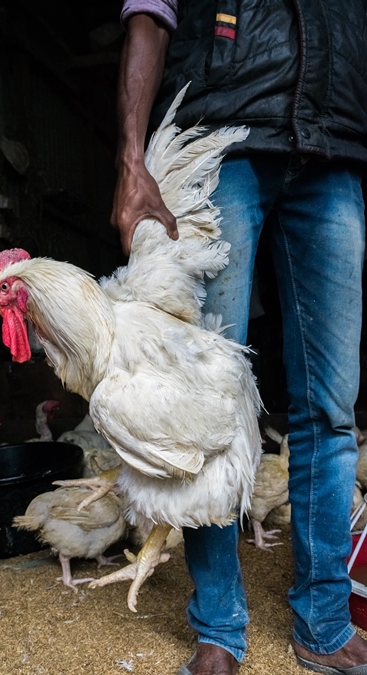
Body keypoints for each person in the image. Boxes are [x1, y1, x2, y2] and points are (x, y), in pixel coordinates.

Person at [111, 2, 367, 674]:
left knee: (332, 406)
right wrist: (133, 158)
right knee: (207, 404)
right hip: (219, 139)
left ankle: (325, 622)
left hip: (336, 149)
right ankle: (219, 628)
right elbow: (150, 10)